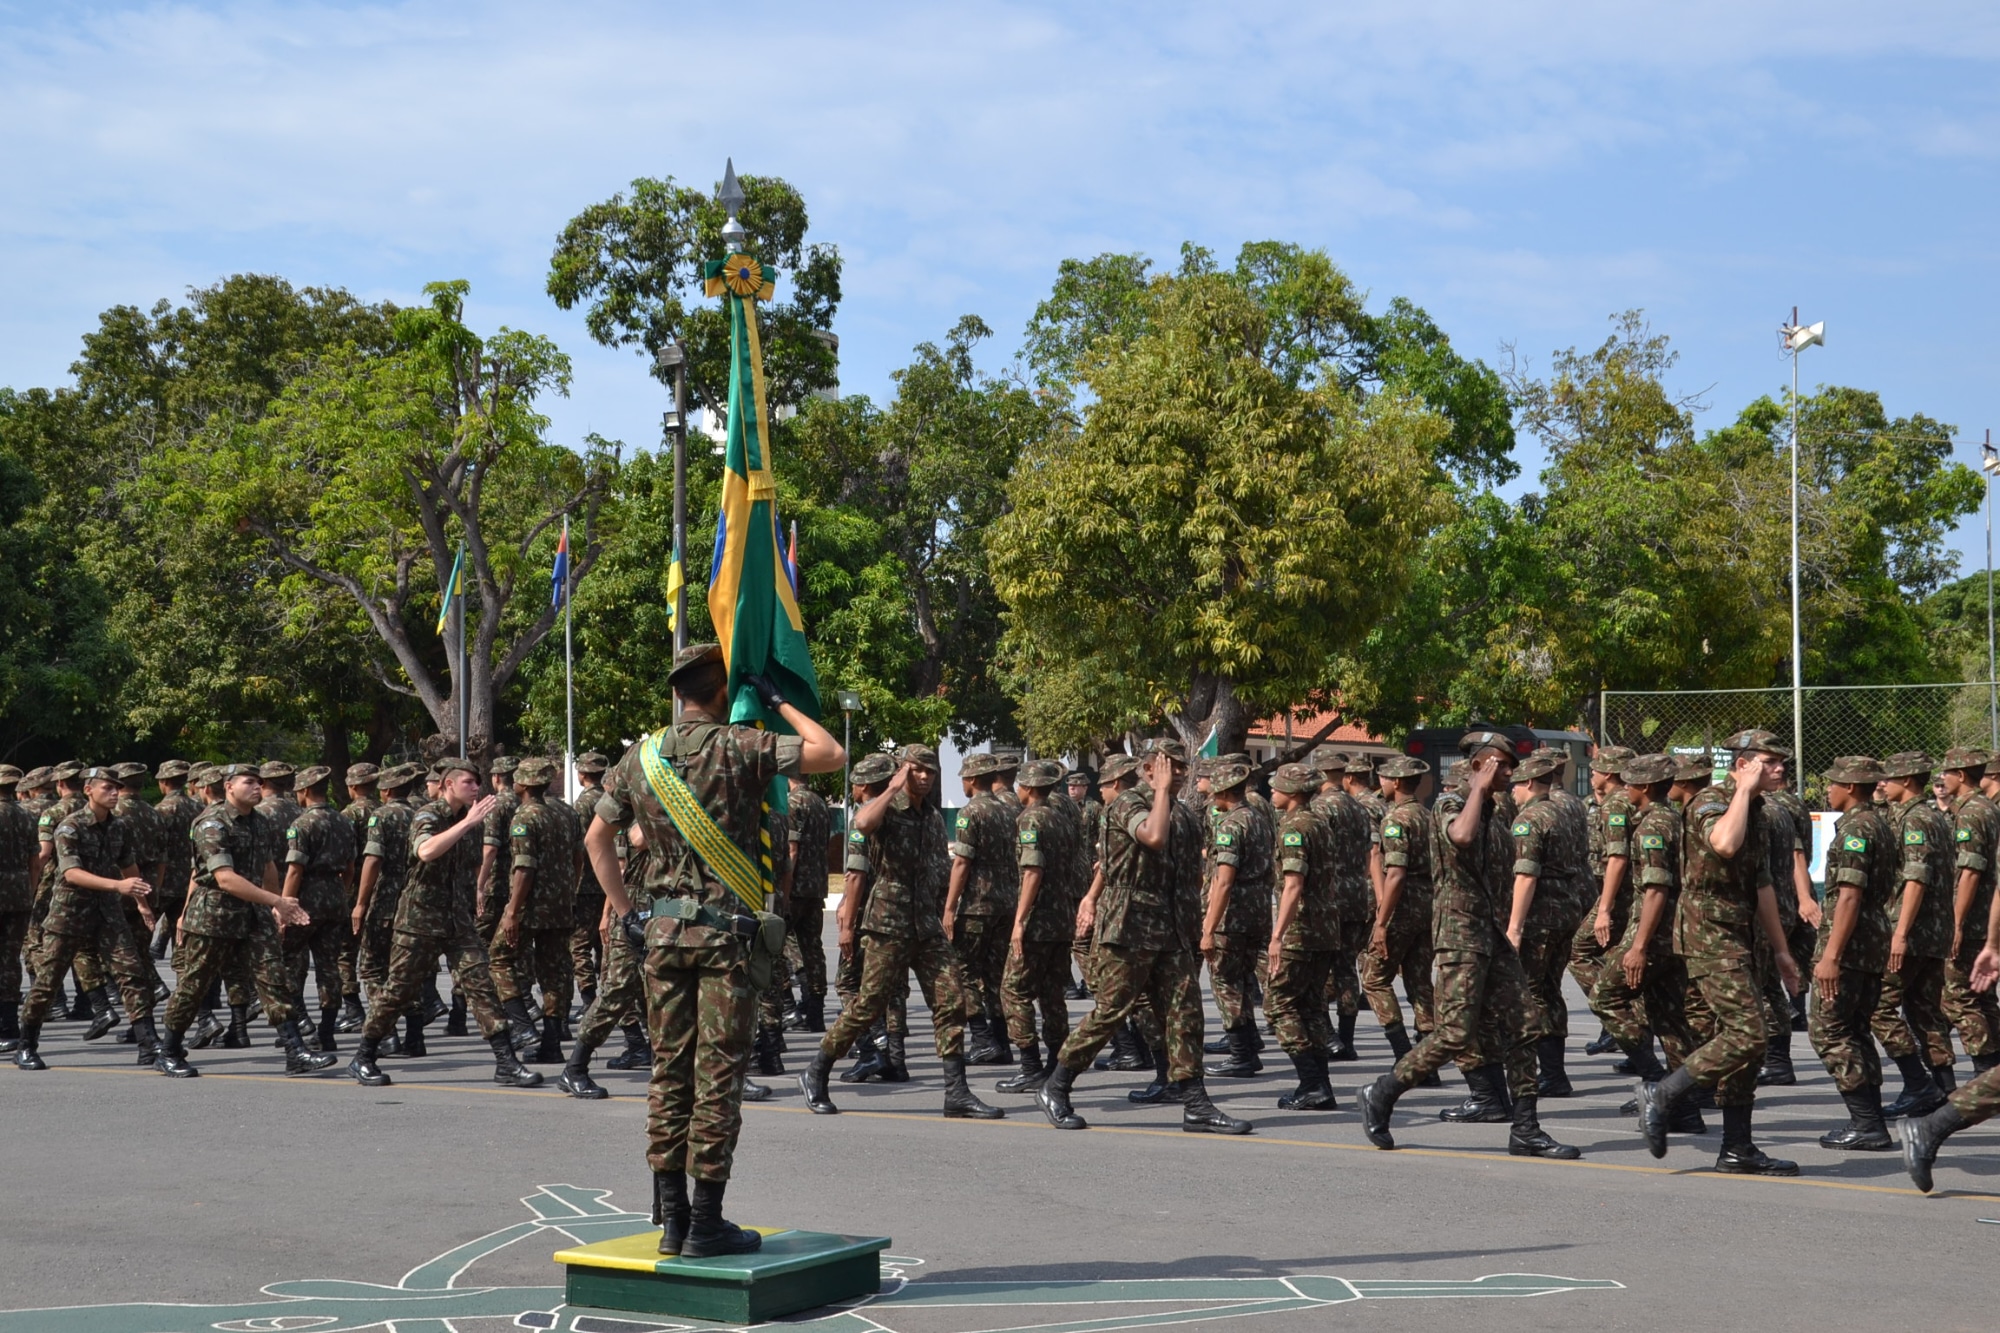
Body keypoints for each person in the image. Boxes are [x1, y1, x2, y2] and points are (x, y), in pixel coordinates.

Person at [588, 643, 846, 1259]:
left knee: (667, 1073)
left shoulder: (638, 759)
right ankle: (706, 1222)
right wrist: (778, 701)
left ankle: (672, 1222)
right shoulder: (741, 745)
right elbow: (829, 753)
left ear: (680, 694)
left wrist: (626, 913)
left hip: (661, 939)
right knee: (717, 1078)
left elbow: (598, 839)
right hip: (725, 941)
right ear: (725, 692)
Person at [1360, 732, 1577, 1159]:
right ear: (1479, 766)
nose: (1511, 773)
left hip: (1491, 932)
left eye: (1512, 765)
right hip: (1459, 934)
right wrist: (1477, 787)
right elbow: (1460, 837)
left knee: (1526, 1025)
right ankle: (1382, 1091)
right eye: (1501, 765)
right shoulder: (1450, 805)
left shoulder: (1499, 810)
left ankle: (1526, 1128)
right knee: (1456, 1033)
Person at [1038, 742, 1252, 1136]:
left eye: (1184, 769)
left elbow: (1190, 876)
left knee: (1186, 1014)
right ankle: (1057, 1085)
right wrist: (1160, 793)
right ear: (1149, 769)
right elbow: (1152, 837)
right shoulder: (1127, 804)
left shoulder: (1184, 813)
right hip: (1128, 929)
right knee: (1111, 1013)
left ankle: (1195, 1103)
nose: (1180, 775)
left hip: (1170, 931)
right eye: (1171, 767)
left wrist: (1196, 928)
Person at [1633, 730, 1804, 1174]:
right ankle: (1664, 1094)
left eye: (1781, 761)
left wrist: (1783, 953)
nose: (1780, 768)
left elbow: (1762, 882)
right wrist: (1743, 792)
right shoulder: (1709, 803)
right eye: (1769, 761)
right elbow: (1724, 844)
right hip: (1709, 934)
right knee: (1750, 1033)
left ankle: (1737, 1147)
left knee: (1746, 1041)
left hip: (1745, 936)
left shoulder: (1761, 811)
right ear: (1743, 764)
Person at [801, 740, 1000, 1121]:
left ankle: (956, 1092)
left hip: (924, 923)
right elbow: (860, 823)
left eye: (930, 771)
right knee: (869, 1005)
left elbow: (937, 867)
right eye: (916, 770)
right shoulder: (886, 807)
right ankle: (816, 1071)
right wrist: (892, 786)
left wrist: (946, 909)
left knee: (951, 1000)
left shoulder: (929, 815)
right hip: (888, 923)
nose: (924, 777)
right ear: (903, 770)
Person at [348, 758, 542, 1090]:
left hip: (456, 921)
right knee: (397, 990)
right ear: (448, 784)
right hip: (418, 921)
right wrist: (467, 823)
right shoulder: (428, 815)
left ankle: (507, 1062)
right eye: (468, 782)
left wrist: (476, 894)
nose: (476, 788)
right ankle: (363, 1057)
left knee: (482, 984)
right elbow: (425, 851)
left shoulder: (473, 821)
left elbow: (469, 868)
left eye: (478, 783)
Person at [152, 764, 338, 1079]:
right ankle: (168, 1050)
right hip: (214, 915)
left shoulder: (259, 822)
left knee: (273, 978)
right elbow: (224, 879)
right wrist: (276, 901)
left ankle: (295, 1051)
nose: (256, 787)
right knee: (195, 985)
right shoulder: (212, 823)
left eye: (259, 782)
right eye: (249, 781)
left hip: (253, 914)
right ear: (228, 786)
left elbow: (267, 866)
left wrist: (277, 905)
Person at [1588, 754, 1705, 1133]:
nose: (1625, 788)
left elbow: (1656, 889)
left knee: (1604, 997)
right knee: (1669, 1020)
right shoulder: (1668, 819)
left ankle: (1657, 1084)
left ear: (1642, 787)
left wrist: (1637, 946)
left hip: (1652, 935)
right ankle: (1685, 1111)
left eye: (1630, 782)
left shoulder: (1654, 825)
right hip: (1673, 934)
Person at [1808, 755, 1899, 1150]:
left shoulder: (1856, 829)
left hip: (1851, 945)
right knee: (1856, 1030)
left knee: (1828, 1030)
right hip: (1869, 941)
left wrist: (1830, 956)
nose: (1828, 789)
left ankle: (1866, 1122)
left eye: (1832, 783)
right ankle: (1870, 1121)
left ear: (1848, 787)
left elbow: (1849, 896)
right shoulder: (1876, 822)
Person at [1873, 752, 1954, 1119]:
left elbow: (1916, 878)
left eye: (1887, 778)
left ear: (1906, 781)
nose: (1881, 784)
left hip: (1914, 931)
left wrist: (1900, 934)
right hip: (1933, 932)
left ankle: (1918, 1083)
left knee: (1878, 1006)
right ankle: (1943, 1085)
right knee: (1924, 1011)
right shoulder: (1933, 815)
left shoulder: (1916, 820)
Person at [995, 759, 1079, 1093]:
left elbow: (1032, 872)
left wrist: (1019, 921)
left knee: (1013, 990)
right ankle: (1057, 1064)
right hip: (1061, 918)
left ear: (1029, 788)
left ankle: (1030, 1064)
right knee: (1052, 994)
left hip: (1038, 919)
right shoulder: (1063, 818)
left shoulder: (1029, 819)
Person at [492, 757, 576, 1065]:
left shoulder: (524, 816)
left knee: (498, 960)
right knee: (554, 974)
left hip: (531, 906)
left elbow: (524, 868)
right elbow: (578, 857)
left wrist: (512, 911)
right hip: (561, 906)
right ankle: (552, 1044)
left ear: (523, 784)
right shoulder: (565, 813)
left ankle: (524, 1026)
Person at [1266, 762, 1339, 1110]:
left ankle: (1311, 1082)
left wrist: (1277, 936)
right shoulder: (1320, 822)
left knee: (1278, 1004)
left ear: (1293, 793)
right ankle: (1320, 1087)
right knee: (1310, 1007)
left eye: (1277, 786)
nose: (1271, 791)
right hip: (1325, 928)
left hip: (1302, 930)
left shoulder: (1294, 827)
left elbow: (1293, 885)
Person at [945, 753, 1020, 1066]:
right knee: (996, 975)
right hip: (1006, 902)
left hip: (977, 904)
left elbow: (962, 862)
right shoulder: (1008, 810)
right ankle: (1001, 1041)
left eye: (963, 777)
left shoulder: (970, 812)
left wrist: (949, 908)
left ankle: (981, 1036)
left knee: (964, 972)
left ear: (973, 780)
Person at [1202, 759, 1274, 1079]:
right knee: (1245, 980)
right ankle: (1249, 1043)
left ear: (1224, 791)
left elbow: (1224, 880)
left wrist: (1209, 927)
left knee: (1225, 982)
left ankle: (1240, 1053)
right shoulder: (1258, 817)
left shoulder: (1231, 824)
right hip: (1259, 910)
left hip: (1235, 915)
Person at [1366, 755, 1436, 1076]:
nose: (1380, 782)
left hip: (1404, 905)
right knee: (1420, 981)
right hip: (1428, 905)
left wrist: (1381, 922)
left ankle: (1403, 1054)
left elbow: (1395, 874)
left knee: (1374, 978)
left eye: (1383, 777)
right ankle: (1428, 1061)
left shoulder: (1396, 820)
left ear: (1395, 783)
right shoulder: (1428, 815)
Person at [281, 766, 358, 1054]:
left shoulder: (302, 824)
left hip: (306, 899)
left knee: (290, 962)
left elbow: (294, 871)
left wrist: (284, 906)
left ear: (303, 792)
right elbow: (350, 868)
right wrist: (341, 893)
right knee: (329, 967)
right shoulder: (343, 821)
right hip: (335, 897)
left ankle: (301, 1023)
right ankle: (327, 1031)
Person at [1939, 748, 2000, 1086]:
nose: (1941, 780)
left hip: (1973, 917)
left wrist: (1956, 923)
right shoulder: (1987, 807)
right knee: (1983, 996)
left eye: (1946, 773)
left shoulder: (1971, 813)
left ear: (1961, 776)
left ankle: (1985, 1073)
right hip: (1985, 918)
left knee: (1957, 996)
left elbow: (1971, 872)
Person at [778, 772, 832, 1033]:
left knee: (775, 948)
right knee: (813, 950)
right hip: (816, 888)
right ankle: (815, 1010)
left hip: (796, 887)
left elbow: (792, 849)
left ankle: (788, 1010)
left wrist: (784, 895)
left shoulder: (792, 803)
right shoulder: (820, 803)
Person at [0, 766, 35, 1053]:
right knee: (10, 959)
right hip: (20, 892)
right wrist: (31, 888)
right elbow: (35, 859)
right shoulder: (26, 815)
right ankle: (9, 1025)